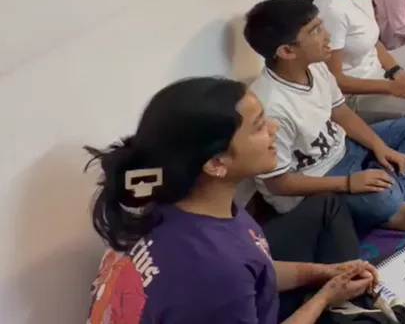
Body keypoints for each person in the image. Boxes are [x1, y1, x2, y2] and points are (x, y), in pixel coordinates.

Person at [85, 77, 377, 324]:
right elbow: (232, 275)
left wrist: (325, 275)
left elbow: (258, 265)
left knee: (324, 206)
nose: (273, 128)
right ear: (216, 163)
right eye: (259, 126)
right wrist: (325, 298)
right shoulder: (216, 271)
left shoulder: (173, 200)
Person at [243, 0, 405, 234]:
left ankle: (396, 197)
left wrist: (380, 146)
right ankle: (391, 203)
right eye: (315, 31)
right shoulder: (269, 107)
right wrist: (348, 184)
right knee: (381, 198)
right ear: (287, 51)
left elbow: (340, 111)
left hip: (344, 148)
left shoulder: (315, 67)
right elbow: (278, 184)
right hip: (316, 181)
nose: (327, 36)